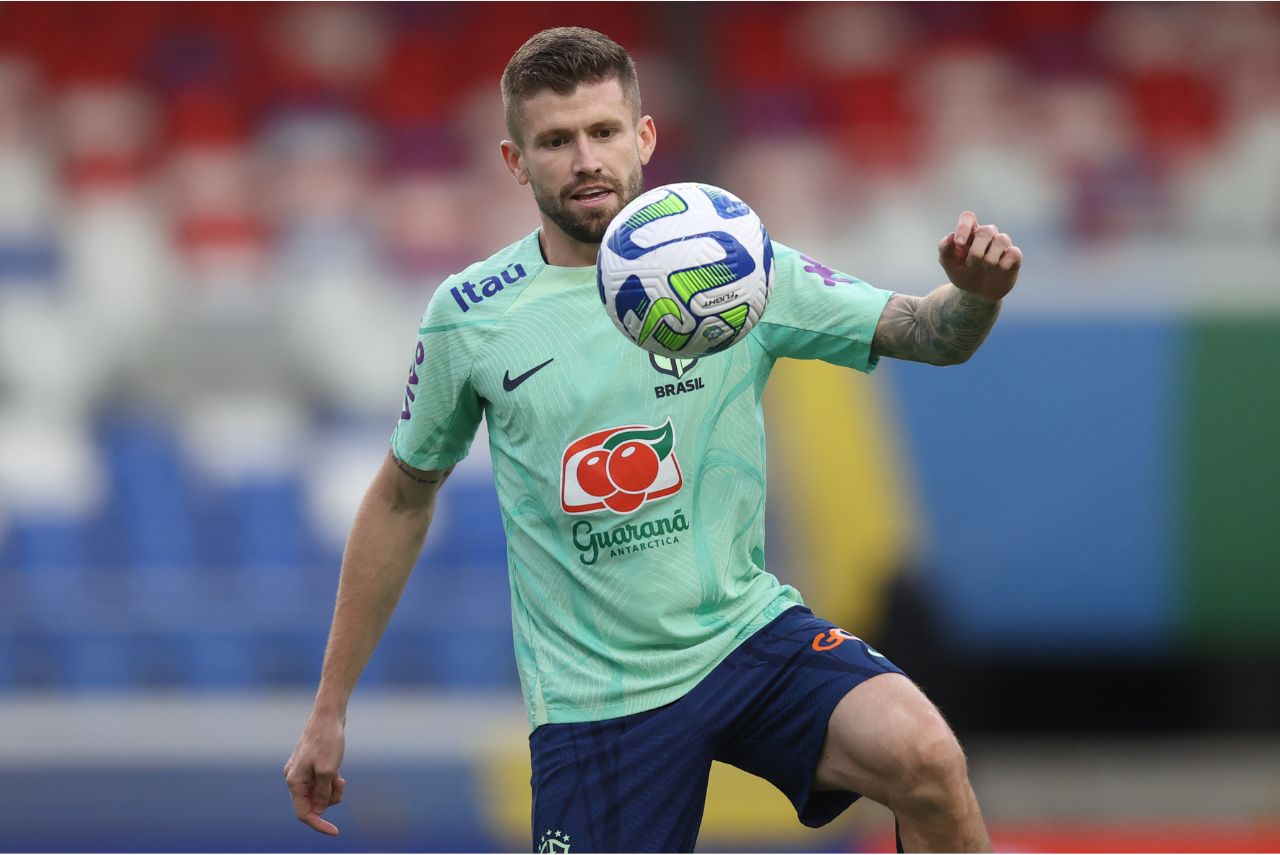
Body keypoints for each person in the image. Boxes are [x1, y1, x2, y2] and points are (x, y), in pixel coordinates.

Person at [285, 26, 1020, 854]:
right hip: (597, 700)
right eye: (556, 141)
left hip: (745, 636)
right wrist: (329, 707)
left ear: (644, 136)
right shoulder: (472, 314)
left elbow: (928, 331)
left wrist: (977, 296)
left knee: (925, 756)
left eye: (603, 132)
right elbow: (399, 496)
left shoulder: (737, 266)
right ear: (515, 161)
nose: (585, 158)